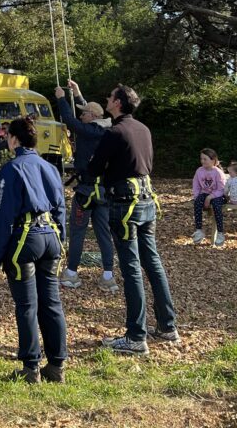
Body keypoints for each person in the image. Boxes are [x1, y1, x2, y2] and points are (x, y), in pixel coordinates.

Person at [86, 85, 178, 354]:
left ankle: (136, 337)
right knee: (152, 261)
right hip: (147, 197)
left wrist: (95, 164)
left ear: (117, 103)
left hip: (124, 202)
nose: (106, 99)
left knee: (131, 267)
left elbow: (93, 169)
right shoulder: (143, 129)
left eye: (109, 96)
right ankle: (167, 326)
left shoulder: (114, 133)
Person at [0, 116, 68, 384]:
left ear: (14, 139)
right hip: (51, 238)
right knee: (52, 303)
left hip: (26, 238)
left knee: (27, 305)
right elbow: (60, 208)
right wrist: (62, 238)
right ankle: (57, 365)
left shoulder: (12, 170)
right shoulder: (50, 167)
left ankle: (31, 366)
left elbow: (2, 215)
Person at [55, 80, 118, 294]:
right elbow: (85, 114)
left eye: (84, 113)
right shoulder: (105, 129)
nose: (81, 115)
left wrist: (61, 99)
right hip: (103, 191)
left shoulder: (89, 131)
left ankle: (72, 273)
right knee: (103, 233)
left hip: (86, 191)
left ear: (91, 116)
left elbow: (71, 121)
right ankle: (108, 275)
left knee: (78, 230)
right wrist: (78, 94)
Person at [192, 148, 227, 246]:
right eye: (201, 159)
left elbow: (221, 189)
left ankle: (220, 233)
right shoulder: (199, 171)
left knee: (216, 205)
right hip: (205, 193)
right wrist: (197, 196)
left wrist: (209, 198)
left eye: (205, 159)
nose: (202, 161)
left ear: (213, 160)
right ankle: (199, 230)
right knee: (197, 202)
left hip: (218, 195)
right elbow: (196, 185)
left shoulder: (218, 172)